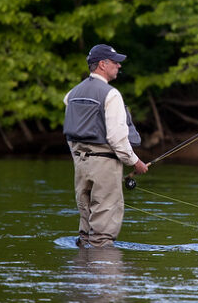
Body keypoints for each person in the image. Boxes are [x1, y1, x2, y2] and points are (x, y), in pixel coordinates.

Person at [63, 44, 149, 248]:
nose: (119, 65)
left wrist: (78, 157)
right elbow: (117, 138)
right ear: (102, 64)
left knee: (86, 231)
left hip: (80, 164)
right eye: (115, 62)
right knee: (102, 234)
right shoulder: (111, 95)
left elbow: (70, 134)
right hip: (106, 165)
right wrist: (135, 162)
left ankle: (83, 271)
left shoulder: (71, 94)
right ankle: (105, 276)